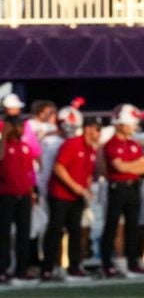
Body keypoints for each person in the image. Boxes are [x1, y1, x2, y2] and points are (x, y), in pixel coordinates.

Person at [45, 116, 100, 279]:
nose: (99, 133)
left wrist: (86, 188)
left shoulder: (91, 148)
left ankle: (74, 267)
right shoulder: (73, 144)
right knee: (56, 231)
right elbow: (59, 167)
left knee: (75, 231)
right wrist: (75, 186)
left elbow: (87, 173)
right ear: (88, 128)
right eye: (97, 129)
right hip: (60, 194)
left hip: (77, 196)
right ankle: (49, 268)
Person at [99, 105, 144, 277]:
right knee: (112, 226)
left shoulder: (133, 144)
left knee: (133, 226)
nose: (133, 126)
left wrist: (130, 167)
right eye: (130, 123)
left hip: (133, 187)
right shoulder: (112, 144)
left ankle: (132, 262)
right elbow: (119, 167)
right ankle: (107, 264)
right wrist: (132, 167)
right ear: (120, 124)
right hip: (117, 188)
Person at [0, 112, 37, 283]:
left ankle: (21, 269)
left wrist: (31, 192)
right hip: (6, 195)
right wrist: (4, 135)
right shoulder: (3, 145)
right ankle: (2, 269)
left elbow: (29, 172)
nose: (21, 129)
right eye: (18, 126)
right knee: (4, 235)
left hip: (23, 195)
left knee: (24, 234)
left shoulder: (25, 146)